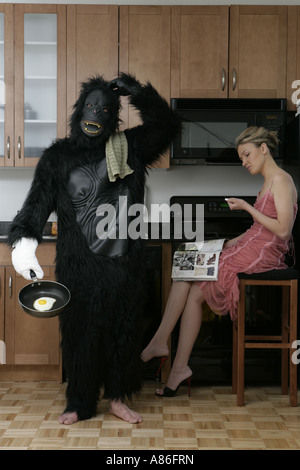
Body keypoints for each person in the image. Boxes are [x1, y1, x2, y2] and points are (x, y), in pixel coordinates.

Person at [8, 73, 180, 423]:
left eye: (104, 109)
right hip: (79, 267)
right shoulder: (58, 157)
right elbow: (37, 202)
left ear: (112, 116)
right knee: (80, 335)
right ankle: (79, 403)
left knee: (123, 334)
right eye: (90, 106)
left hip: (122, 266)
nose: (95, 114)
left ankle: (118, 398)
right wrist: (24, 243)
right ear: (79, 111)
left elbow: (167, 126)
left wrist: (138, 91)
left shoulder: (130, 147)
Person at [141, 126, 298, 397]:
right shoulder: (268, 182)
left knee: (189, 271)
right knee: (189, 271)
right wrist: (225, 243)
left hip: (265, 255)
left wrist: (248, 207)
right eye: (241, 157)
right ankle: (177, 365)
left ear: (264, 149)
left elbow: (283, 230)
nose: (244, 162)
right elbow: (256, 232)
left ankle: (159, 343)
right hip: (251, 247)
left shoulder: (282, 180)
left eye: (247, 155)